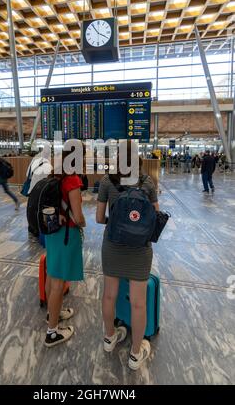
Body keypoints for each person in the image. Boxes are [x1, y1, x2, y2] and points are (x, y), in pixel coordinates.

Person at [96, 150, 159, 371]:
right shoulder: (148, 183)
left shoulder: (106, 181)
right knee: (138, 302)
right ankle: (135, 354)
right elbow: (155, 217)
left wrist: (117, 225)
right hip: (140, 250)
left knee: (109, 295)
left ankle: (109, 338)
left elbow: (98, 217)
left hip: (112, 246)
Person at [45, 150, 86, 348]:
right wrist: (83, 223)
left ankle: (52, 313)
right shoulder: (72, 180)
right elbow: (78, 217)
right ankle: (52, 333)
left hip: (52, 232)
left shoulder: (54, 174)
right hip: (66, 235)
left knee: (51, 275)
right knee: (58, 284)